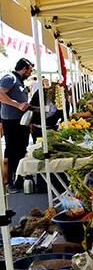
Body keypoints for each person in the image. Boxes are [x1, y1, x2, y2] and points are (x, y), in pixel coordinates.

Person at [0, 58, 34, 193]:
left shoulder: (20, 81)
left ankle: (19, 178)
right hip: (11, 121)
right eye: (30, 70)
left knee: (21, 149)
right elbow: (0, 94)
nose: (30, 73)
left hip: (21, 121)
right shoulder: (10, 78)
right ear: (24, 69)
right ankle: (8, 182)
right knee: (11, 150)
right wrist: (17, 105)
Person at [29, 78, 59, 142]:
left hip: (51, 127)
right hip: (37, 127)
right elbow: (31, 107)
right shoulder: (39, 93)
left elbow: (60, 112)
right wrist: (30, 122)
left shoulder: (58, 98)